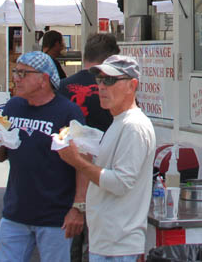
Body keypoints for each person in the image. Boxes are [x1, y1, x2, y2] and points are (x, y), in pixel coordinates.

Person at [0, 51, 87, 262]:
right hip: (15, 213)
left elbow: (83, 163)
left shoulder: (68, 112)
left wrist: (78, 208)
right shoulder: (12, 106)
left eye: (23, 73)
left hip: (54, 217)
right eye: (16, 72)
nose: (16, 78)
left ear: (43, 79)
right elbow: (1, 154)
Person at [57, 55, 156, 262]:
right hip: (109, 242)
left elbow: (120, 183)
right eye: (99, 80)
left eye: (110, 80)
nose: (101, 87)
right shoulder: (120, 122)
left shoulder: (133, 126)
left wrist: (77, 161)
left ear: (132, 85)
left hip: (118, 245)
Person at [58, 33, 120, 262]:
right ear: (112, 58)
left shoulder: (62, 87)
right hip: (107, 174)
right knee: (102, 243)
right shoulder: (117, 89)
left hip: (69, 174)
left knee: (70, 238)